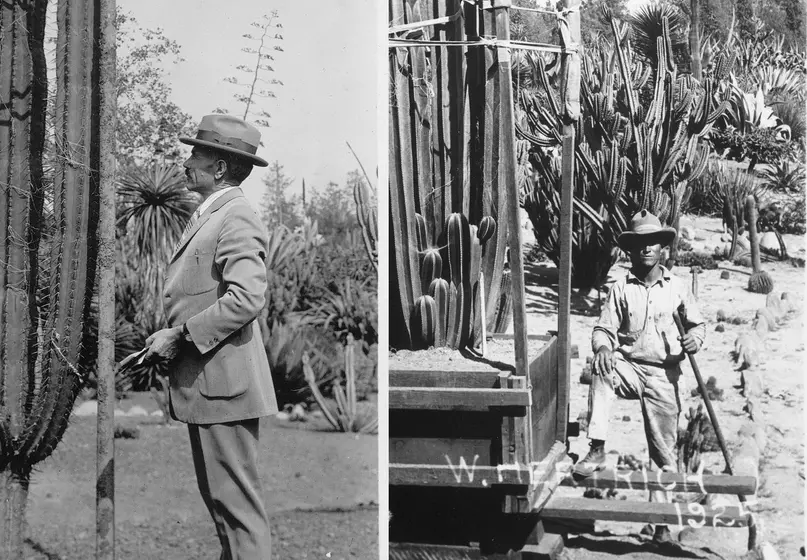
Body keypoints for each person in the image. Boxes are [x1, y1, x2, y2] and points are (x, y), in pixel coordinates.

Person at [143, 114, 278, 559]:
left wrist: (178, 336)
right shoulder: (211, 215)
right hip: (211, 385)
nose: (186, 163)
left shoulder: (235, 216)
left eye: (195, 154)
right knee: (225, 511)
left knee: (237, 513)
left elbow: (246, 299)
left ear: (219, 168)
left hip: (224, 387)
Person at [572, 209, 705, 545]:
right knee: (603, 365)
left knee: (662, 452)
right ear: (630, 250)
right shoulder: (620, 288)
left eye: (653, 242)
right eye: (640, 243)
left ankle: (660, 526)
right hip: (630, 367)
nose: (646, 249)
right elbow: (603, 328)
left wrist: (695, 339)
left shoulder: (676, 288)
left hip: (665, 375)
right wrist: (603, 346)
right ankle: (598, 446)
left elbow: (697, 325)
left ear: (663, 248)